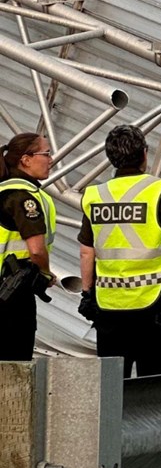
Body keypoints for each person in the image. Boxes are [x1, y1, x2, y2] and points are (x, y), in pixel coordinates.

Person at [79, 125, 161, 377]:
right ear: (144, 153)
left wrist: (87, 293)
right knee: (154, 383)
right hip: (156, 302)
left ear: (111, 157)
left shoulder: (94, 195)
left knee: (112, 384)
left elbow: (87, 251)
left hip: (109, 305)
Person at [0, 133, 58, 361]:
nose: (51, 159)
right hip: (12, 295)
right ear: (26, 159)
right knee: (15, 370)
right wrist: (45, 273)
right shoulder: (24, 197)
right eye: (46, 154)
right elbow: (36, 249)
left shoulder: (3, 190)